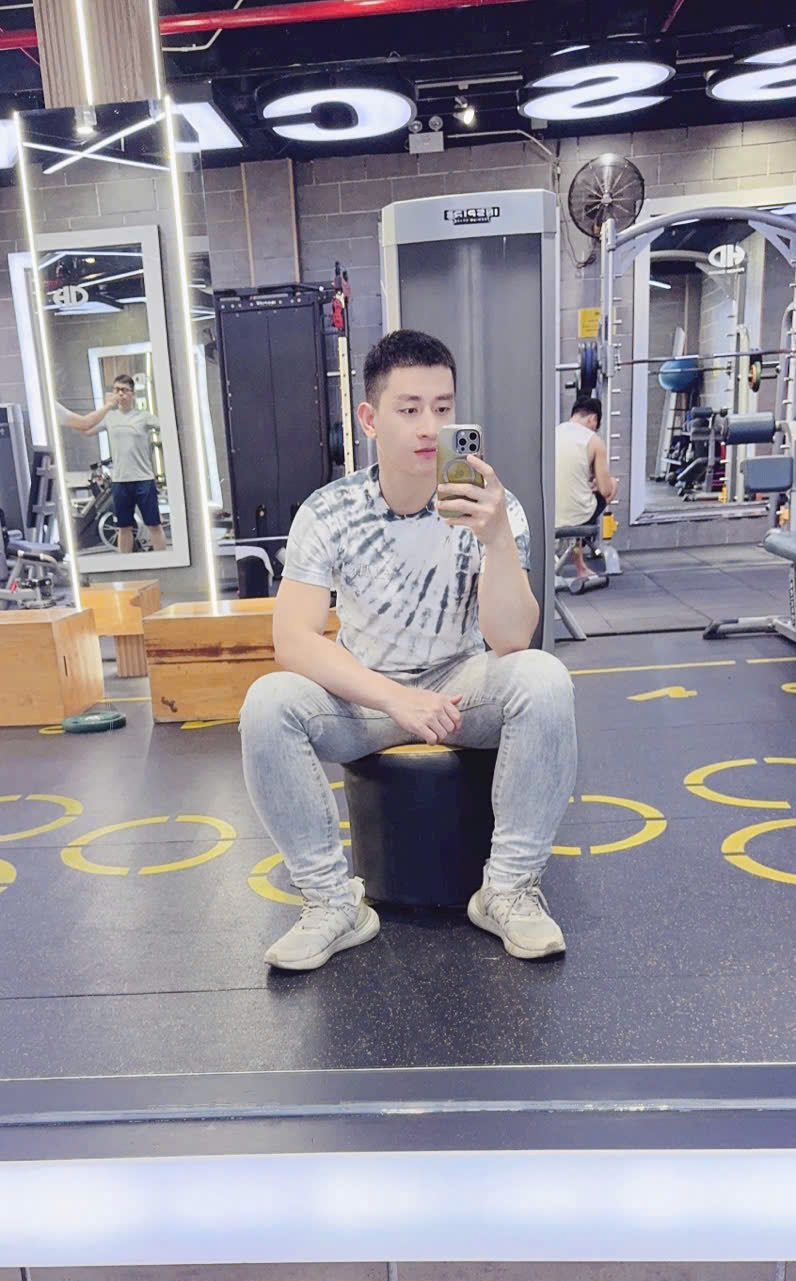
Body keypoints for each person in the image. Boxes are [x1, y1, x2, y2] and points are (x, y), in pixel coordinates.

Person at [240, 329, 578, 972]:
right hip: (365, 697)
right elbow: (294, 639)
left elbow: (511, 640)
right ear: (370, 419)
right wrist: (398, 698)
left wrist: (496, 538)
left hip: (461, 686)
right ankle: (332, 903)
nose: (429, 425)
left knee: (544, 678)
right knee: (267, 702)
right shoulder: (330, 511)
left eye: (443, 408)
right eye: (410, 408)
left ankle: (507, 891)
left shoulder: (493, 507)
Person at [58, 374, 166, 553]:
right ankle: (126, 563)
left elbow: (167, 427)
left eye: (124, 390)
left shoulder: (144, 417)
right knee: (123, 527)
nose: (120, 394)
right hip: (120, 481)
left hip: (144, 479)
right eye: (116, 390)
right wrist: (65, 419)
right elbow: (86, 429)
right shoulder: (109, 417)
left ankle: (162, 561)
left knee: (154, 524)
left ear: (132, 394)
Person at [555, 397, 618, 578]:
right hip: (577, 515)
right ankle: (580, 566)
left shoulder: (553, 432)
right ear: (593, 419)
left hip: (548, 512)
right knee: (612, 484)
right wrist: (602, 482)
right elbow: (605, 490)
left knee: (576, 496)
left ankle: (579, 564)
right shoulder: (594, 441)